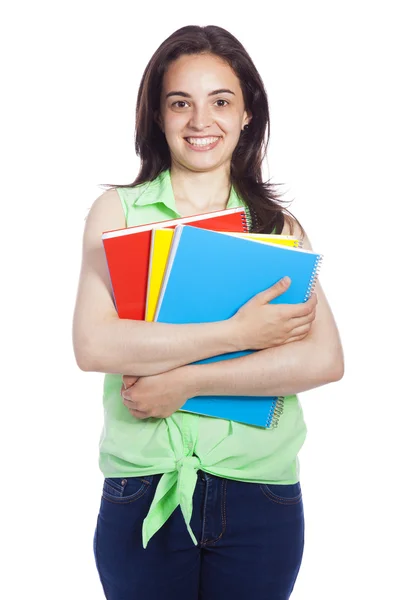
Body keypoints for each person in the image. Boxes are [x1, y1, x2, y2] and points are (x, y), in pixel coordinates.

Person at [72, 24, 344, 600]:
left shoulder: (277, 229)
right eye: (180, 103)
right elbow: (95, 346)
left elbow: (324, 359)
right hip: (144, 487)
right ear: (157, 115)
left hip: (261, 494)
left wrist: (187, 381)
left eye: (221, 101)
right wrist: (238, 333)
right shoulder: (117, 212)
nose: (201, 122)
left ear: (248, 113)